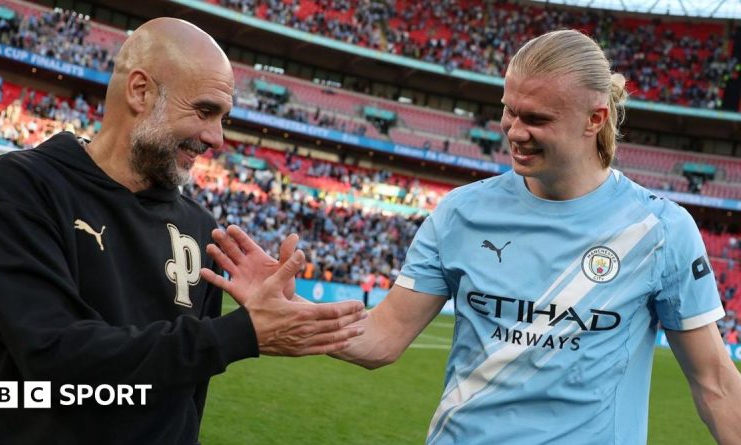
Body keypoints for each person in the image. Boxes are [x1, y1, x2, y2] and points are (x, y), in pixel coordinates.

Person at [202, 30, 741, 444]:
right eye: (507, 109)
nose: (512, 129)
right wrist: (292, 307)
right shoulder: (461, 212)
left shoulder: (661, 229)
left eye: (536, 117)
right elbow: (381, 340)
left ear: (594, 118)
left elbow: (716, 383)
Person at [0, 18, 366, 445]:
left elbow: (187, 396)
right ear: (140, 91)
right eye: (205, 111)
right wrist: (242, 332)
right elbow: (52, 356)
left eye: (223, 118)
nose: (217, 138)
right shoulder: (23, 187)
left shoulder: (202, 230)